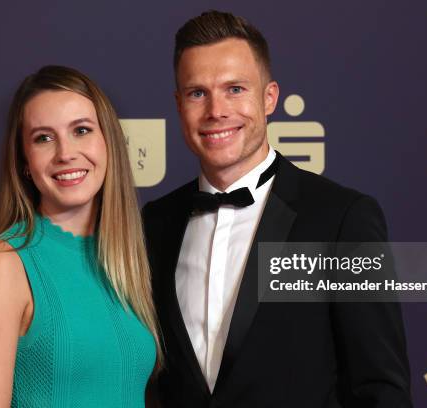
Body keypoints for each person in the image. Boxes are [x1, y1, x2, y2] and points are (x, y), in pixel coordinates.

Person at [142, 11, 412, 407]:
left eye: (235, 89)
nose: (216, 110)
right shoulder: (154, 223)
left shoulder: (341, 218)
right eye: (198, 93)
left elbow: (381, 388)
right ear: (179, 103)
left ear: (269, 98)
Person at [0, 65, 161, 407]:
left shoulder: (128, 258)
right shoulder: (5, 264)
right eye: (43, 138)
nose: (65, 153)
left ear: (108, 142)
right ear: (24, 162)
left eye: (81, 130)